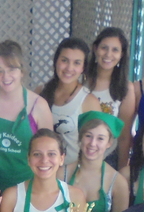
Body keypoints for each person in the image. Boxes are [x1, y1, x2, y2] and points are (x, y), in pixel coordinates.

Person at [0, 40, 54, 192]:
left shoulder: (39, 106)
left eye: (11, 69)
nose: (5, 76)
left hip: (28, 189)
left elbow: (50, 152)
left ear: (22, 71)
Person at [61, 111, 129, 212]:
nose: (93, 143)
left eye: (100, 138)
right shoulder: (61, 174)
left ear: (109, 143)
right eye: (88, 136)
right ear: (80, 137)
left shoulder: (118, 183)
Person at [37, 37, 100, 166]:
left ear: (83, 67)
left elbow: (97, 144)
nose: (69, 68)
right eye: (64, 60)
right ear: (56, 62)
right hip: (42, 169)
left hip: (72, 174)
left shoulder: (89, 101)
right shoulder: (40, 92)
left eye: (77, 63)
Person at [86, 27, 136, 168]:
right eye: (104, 48)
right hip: (75, 155)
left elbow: (124, 137)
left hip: (107, 159)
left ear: (122, 54)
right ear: (95, 49)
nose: (108, 54)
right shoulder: (80, 80)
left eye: (115, 50)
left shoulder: (126, 89)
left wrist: (120, 171)